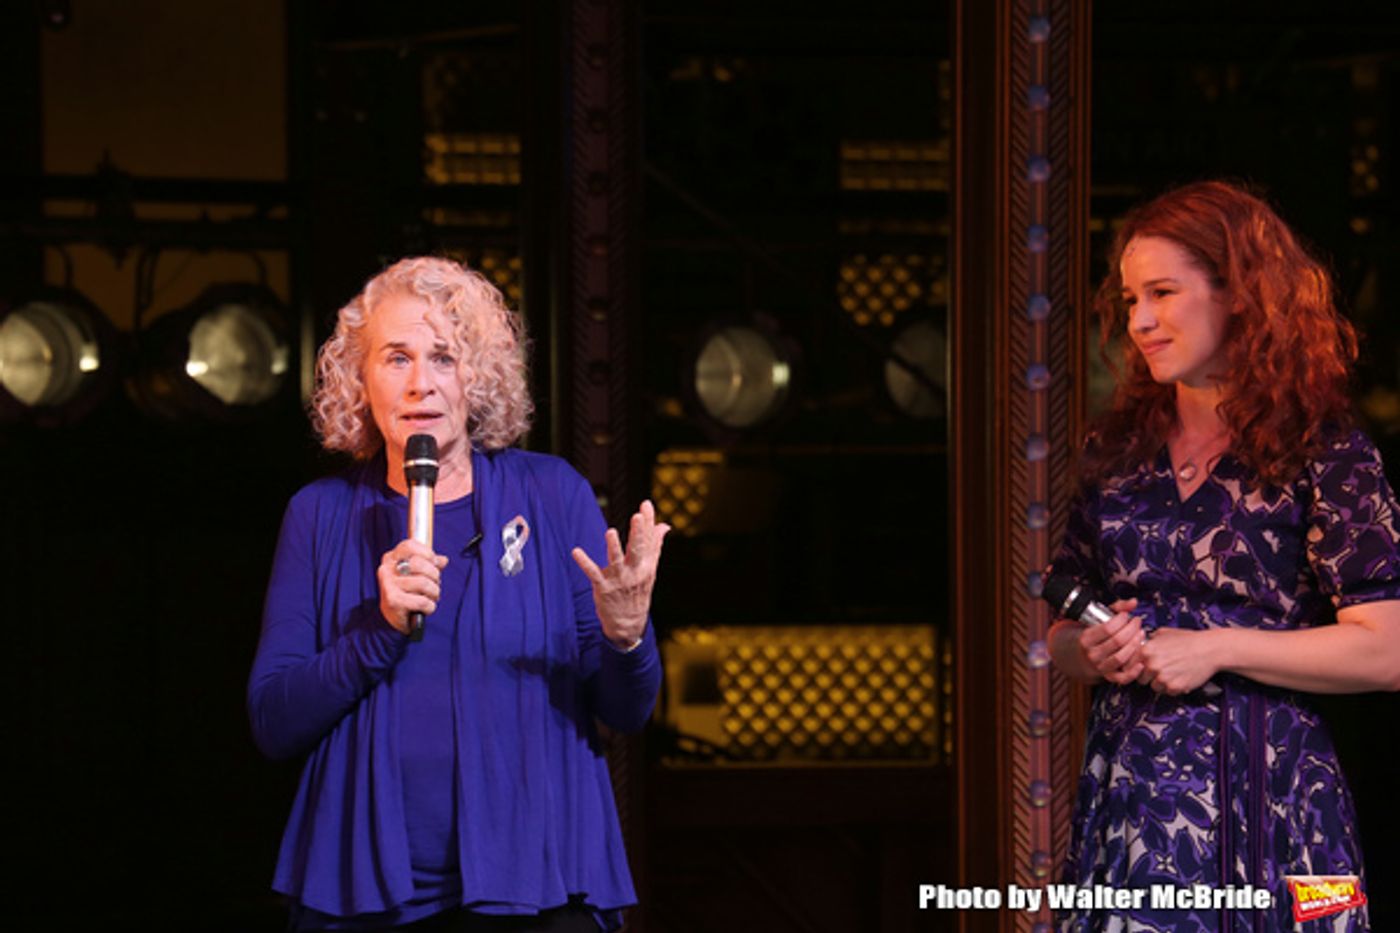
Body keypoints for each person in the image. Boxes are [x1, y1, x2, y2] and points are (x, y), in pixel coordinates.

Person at [248, 257, 667, 932]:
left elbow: (626, 709)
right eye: (396, 358)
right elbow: (273, 720)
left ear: (479, 377)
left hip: (537, 886)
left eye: (444, 356)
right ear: (358, 380)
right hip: (368, 898)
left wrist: (626, 636)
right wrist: (379, 628)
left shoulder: (552, 494)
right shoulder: (318, 515)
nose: (422, 383)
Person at [1047, 180, 1400, 932]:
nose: (1140, 321)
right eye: (1132, 298)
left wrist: (1216, 649)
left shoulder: (1326, 450)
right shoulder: (1114, 450)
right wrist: (1095, 650)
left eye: (1164, 293)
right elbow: (1060, 638)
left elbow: (1388, 651)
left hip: (1273, 798)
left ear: (1239, 292)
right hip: (1133, 798)